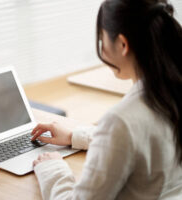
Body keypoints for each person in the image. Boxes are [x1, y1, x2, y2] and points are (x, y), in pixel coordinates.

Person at [30, 0, 182, 199]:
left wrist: (52, 168)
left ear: (123, 44)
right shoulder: (169, 94)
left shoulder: (122, 120)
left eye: (102, 37)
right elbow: (140, 141)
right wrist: (75, 136)